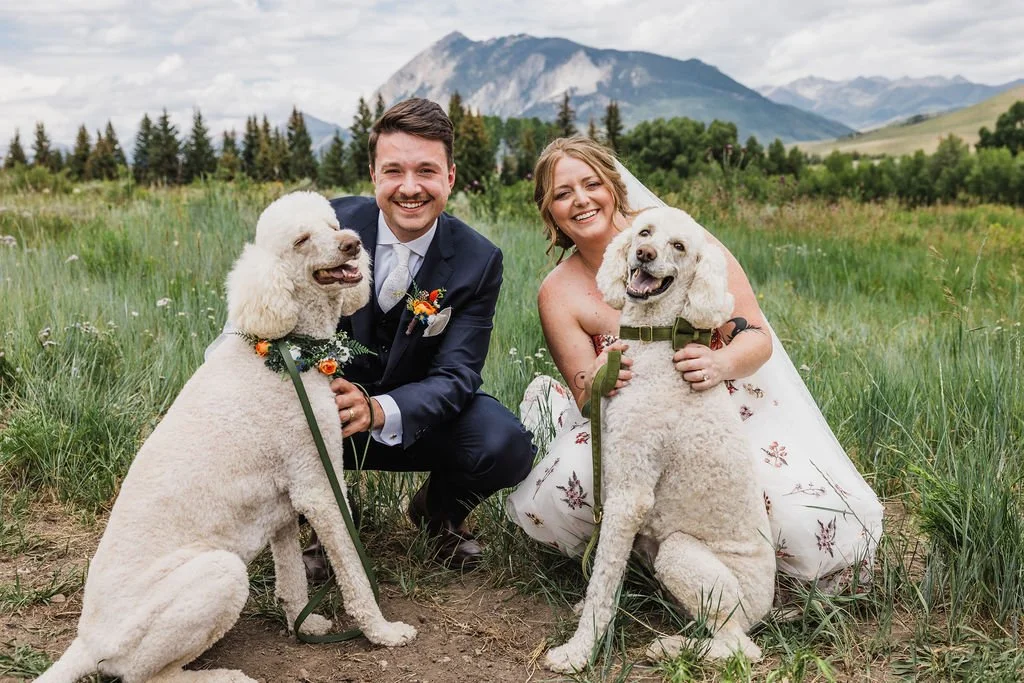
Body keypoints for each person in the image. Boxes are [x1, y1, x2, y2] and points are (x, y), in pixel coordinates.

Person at [505, 136, 883, 595]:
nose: (581, 200)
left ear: (614, 186)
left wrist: (720, 362)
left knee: (789, 511)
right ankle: (658, 568)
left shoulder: (679, 234)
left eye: (591, 184)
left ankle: (738, 582)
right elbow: (586, 395)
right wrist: (601, 375)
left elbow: (757, 336)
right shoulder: (558, 292)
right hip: (630, 423)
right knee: (575, 483)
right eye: (563, 194)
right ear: (549, 210)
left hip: (716, 408)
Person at [310, 98, 534, 571]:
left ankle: (439, 513)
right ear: (374, 175)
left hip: (415, 420)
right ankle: (313, 520)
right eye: (394, 171)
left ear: (450, 177)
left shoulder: (479, 260)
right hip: (322, 410)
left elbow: (457, 374)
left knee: (505, 442)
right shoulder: (326, 224)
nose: (410, 188)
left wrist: (377, 410)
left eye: (427, 171)